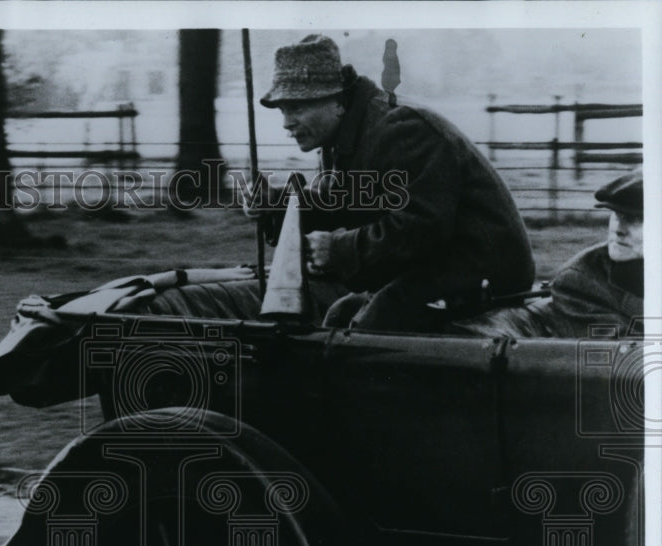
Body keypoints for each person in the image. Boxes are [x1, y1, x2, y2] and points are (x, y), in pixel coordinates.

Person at [256, 34, 536, 331]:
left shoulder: (399, 131)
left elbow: (422, 226)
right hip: (438, 263)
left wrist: (338, 250)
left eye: (297, 108)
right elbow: (338, 204)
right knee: (340, 316)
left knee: (367, 331)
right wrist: (277, 204)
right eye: (283, 110)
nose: (286, 122)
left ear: (337, 101)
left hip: (483, 268)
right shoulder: (343, 137)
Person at [547, 169, 643, 336]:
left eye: (635, 219)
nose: (618, 230)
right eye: (616, 215)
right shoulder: (578, 285)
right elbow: (628, 354)